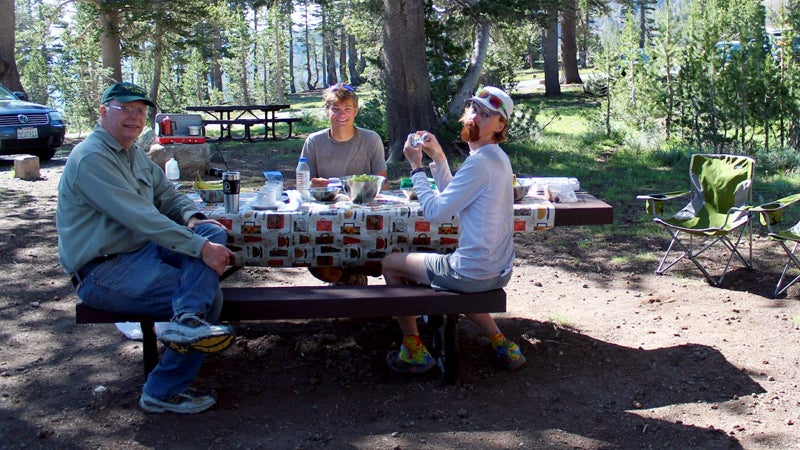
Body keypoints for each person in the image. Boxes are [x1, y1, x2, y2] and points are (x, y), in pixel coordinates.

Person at [56, 82, 236, 414]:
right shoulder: (92, 157)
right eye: (124, 109)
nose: (134, 117)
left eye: (140, 111)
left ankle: (187, 319)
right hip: (104, 270)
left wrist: (193, 218)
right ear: (103, 112)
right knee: (208, 294)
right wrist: (199, 247)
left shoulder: (133, 152)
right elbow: (141, 218)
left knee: (211, 231)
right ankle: (162, 390)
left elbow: (166, 194)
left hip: (143, 252)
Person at [381, 86, 526, 373]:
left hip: (471, 273)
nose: (475, 116)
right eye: (473, 109)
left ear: (500, 125)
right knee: (455, 277)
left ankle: (413, 349)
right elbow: (455, 200)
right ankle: (500, 342)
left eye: (486, 114)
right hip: (498, 270)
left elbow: (436, 213)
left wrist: (416, 168)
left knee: (391, 263)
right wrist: (439, 159)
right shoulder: (496, 158)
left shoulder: (481, 163)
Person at [300, 83, 387, 285]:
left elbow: (382, 183)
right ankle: (351, 280)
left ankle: (359, 285)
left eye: (347, 109)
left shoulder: (371, 139)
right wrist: (314, 184)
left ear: (355, 111)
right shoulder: (314, 141)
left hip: (365, 217)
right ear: (327, 111)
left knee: (384, 258)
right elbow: (304, 185)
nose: (342, 115)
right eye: (335, 109)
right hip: (325, 220)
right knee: (317, 263)